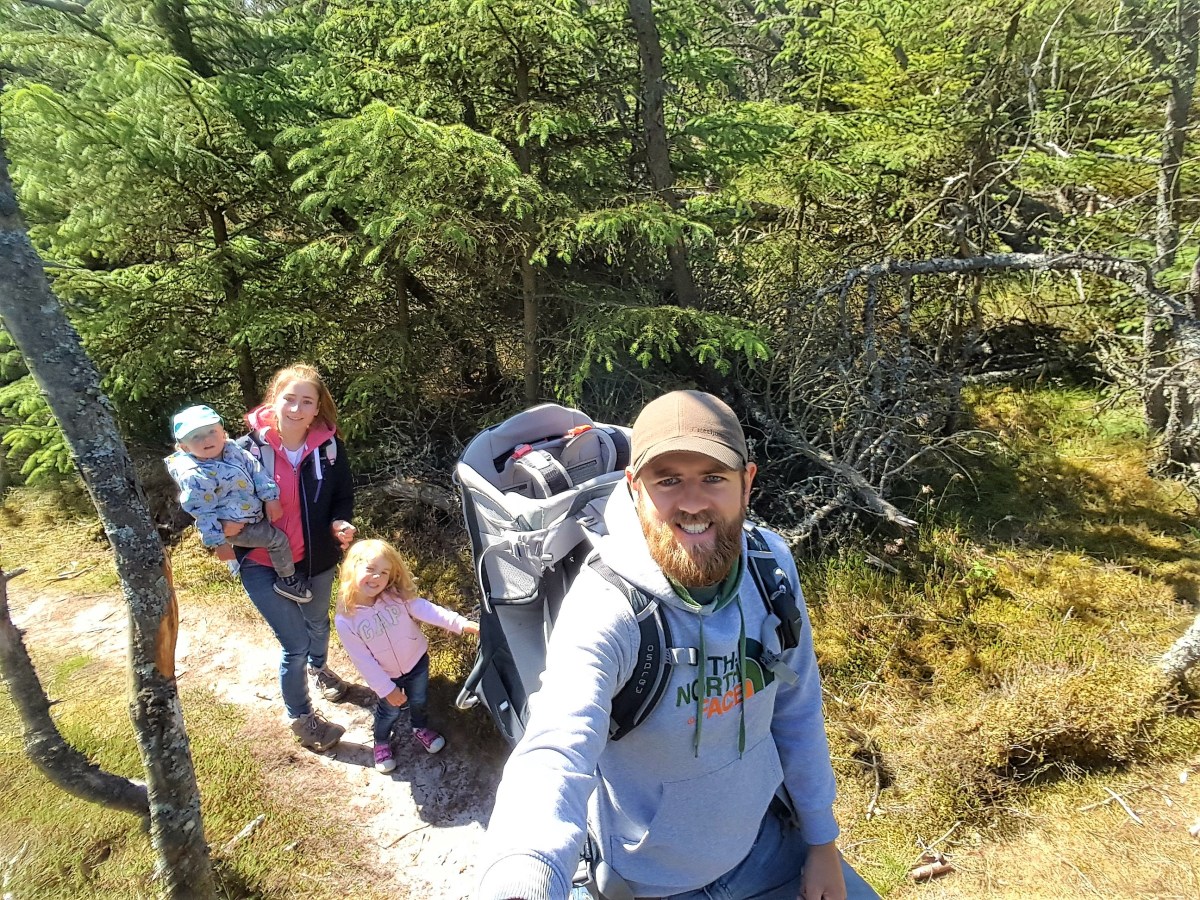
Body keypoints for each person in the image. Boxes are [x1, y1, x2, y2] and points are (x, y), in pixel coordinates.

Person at [475, 391, 879, 900]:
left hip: (768, 848)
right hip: (649, 883)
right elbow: (556, 747)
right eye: (668, 480)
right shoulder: (608, 607)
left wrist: (822, 843)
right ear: (634, 489)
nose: (692, 502)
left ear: (746, 483)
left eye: (713, 477)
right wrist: (524, 871)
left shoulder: (770, 568)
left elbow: (798, 709)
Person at [224, 364, 357, 753]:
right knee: (294, 643)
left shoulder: (330, 448)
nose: (296, 409)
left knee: (317, 622)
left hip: (315, 558)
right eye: (289, 398)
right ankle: (302, 718)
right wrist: (221, 531)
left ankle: (319, 670)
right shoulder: (244, 450)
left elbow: (342, 496)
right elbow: (211, 497)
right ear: (274, 400)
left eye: (307, 401)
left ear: (318, 408)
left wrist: (340, 523)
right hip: (261, 561)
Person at [334, 539, 480, 772]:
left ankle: (419, 728)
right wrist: (386, 689)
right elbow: (363, 661)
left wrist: (460, 624)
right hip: (387, 676)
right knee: (389, 710)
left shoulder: (394, 596)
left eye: (384, 572)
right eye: (370, 570)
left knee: (419, 700)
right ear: (352, 569)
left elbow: (426, 609)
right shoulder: (346, 619)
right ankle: (381, 742)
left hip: (417, 662)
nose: (377, 578)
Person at [165, 404, 312, 603]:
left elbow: (255, 468)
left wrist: (270, 496)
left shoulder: (232, 449)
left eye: (211, 431)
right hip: (238, 527)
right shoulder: (195, 475)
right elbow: (203, 512)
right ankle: (287, 580)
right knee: (277, 540)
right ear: (184, 446)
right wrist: (219, 543)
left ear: (223, 433)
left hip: (250, 511)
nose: (207, 439)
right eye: (196, 437)